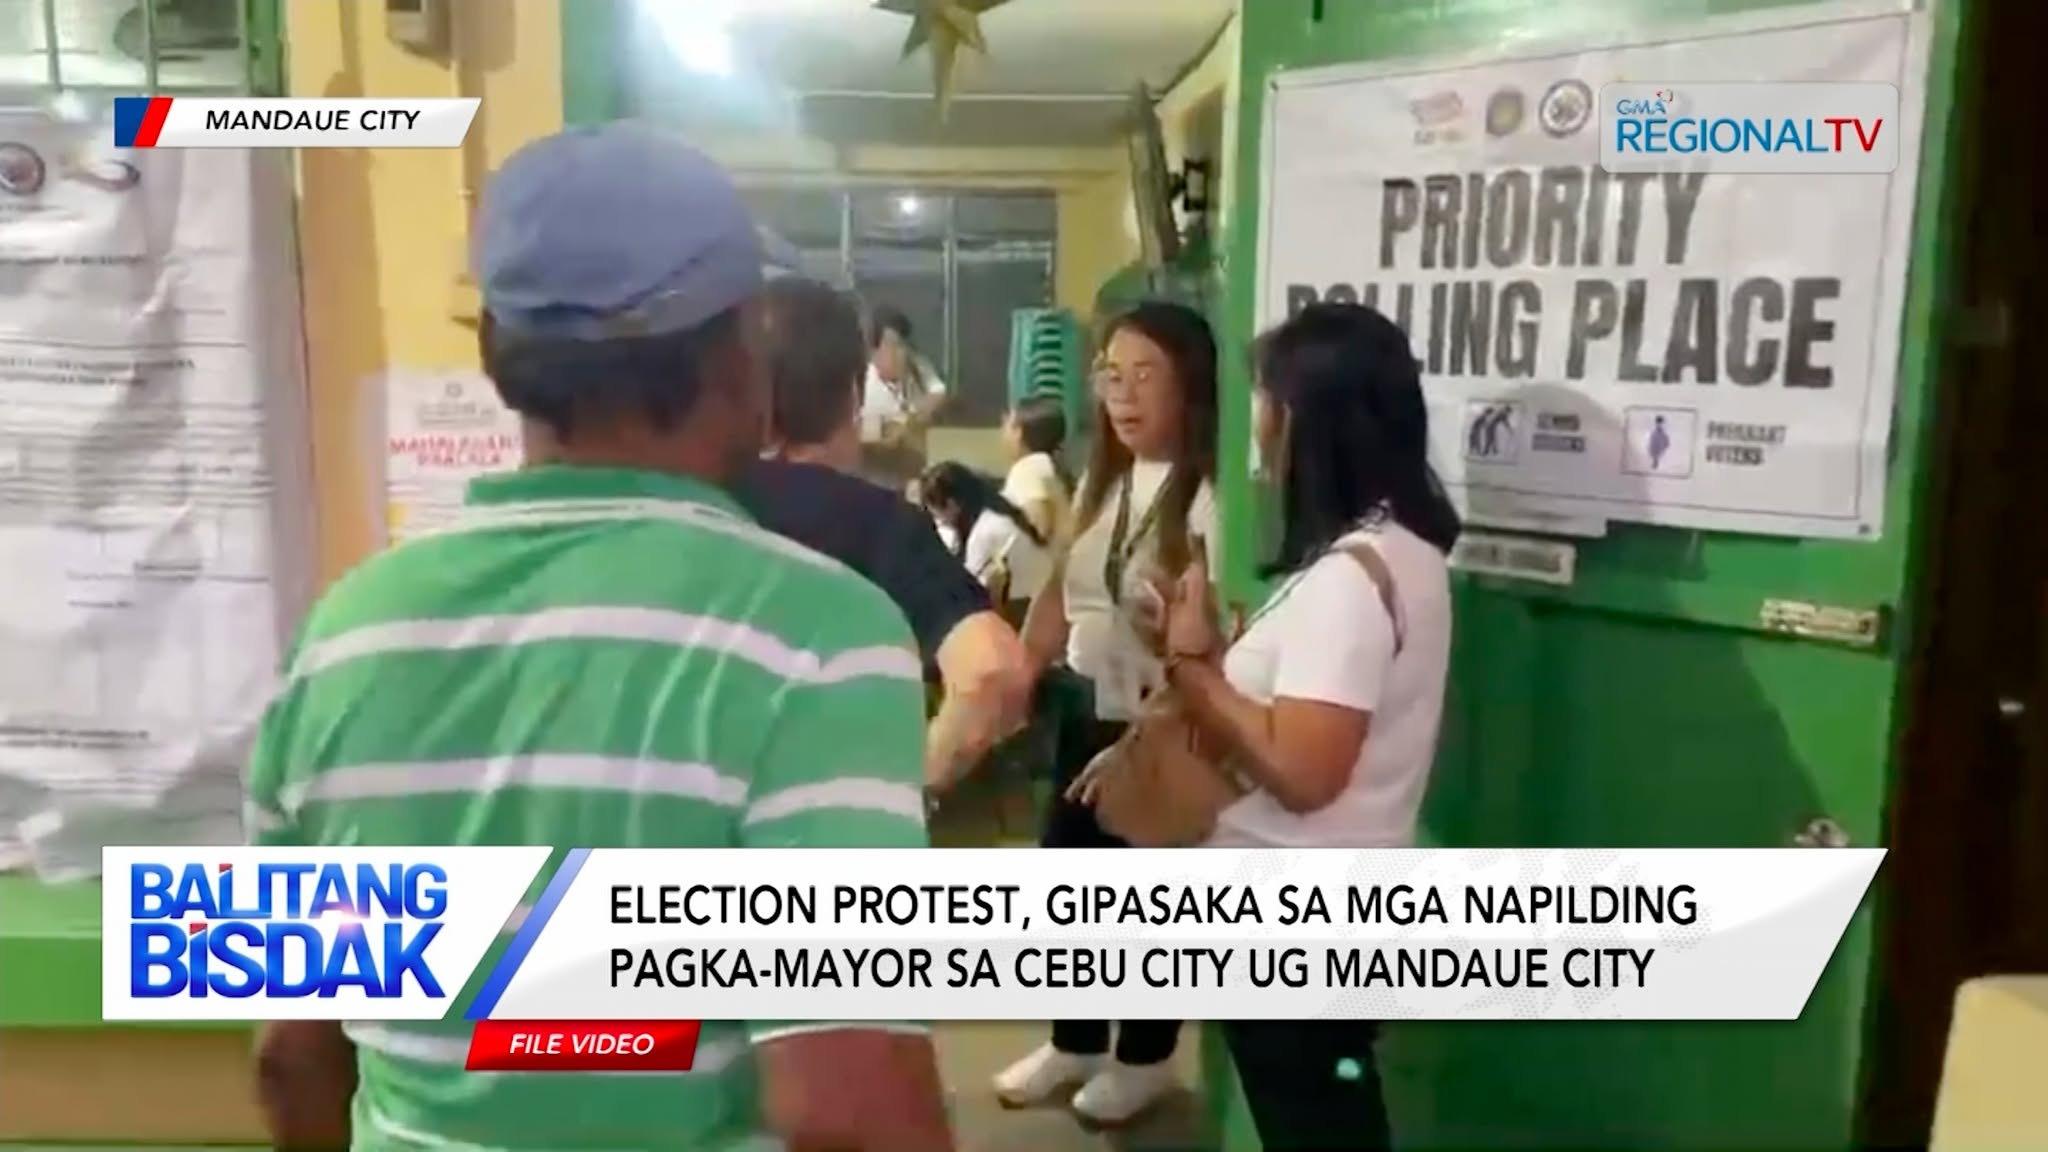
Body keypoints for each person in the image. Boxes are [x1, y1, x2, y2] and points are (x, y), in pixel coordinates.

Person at [243, 126, 953, 1152]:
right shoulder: (816, 640)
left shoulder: (345, 633)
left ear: (497, 356)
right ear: (737, 353)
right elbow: (847, 1107)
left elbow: (293, 1057)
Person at [1126, 301, 1459, 1150]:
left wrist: (1195, 670)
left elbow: (1306, 772)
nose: (1260, 431)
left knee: (1318, 1121)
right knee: (1331, 1115)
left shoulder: (1353, 580)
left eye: (1268, 405)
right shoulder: (1401, 553)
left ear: (1309, 422)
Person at [995, 300, 1220, 1125]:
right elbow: (1060, 591)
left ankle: (1147, 1056)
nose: (1123, 396)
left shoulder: (1209, 499)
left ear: (1192, 387)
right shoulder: (1104, 480)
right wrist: (1017, 673)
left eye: (1146, 376)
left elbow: (1219, 629)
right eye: (1110, 376)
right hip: (1086, 712)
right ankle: (1077, 1038)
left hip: (1159, 722)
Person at [738, 277, 1033, 791]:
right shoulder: (880, 525)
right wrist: (905, 795)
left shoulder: (683, 509)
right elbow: (992, 672)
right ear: (854, 393)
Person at [918, 460, 1051, 620]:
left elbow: (967, 594)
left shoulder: (984, 533)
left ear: (952, 505)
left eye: (936, 514)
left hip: (1025, 612)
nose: (939, 521)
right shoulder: (999, 510)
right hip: (1040, 601)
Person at [860, 305, 947, 484]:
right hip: (878, 485)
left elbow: (939, 393)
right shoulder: (861, 386)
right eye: (895, 346)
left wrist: (914, 415)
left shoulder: (918, 366)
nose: (904, 353)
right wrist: (889, 436)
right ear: (874, 351)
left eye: (905, 345)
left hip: (914, 481)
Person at [999, 392, 1073, 544]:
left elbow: (1040, 524)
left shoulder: (1027, 468)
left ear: (1018, 432)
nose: (1002, 432)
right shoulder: (1047, 465)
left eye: (1006, 424)